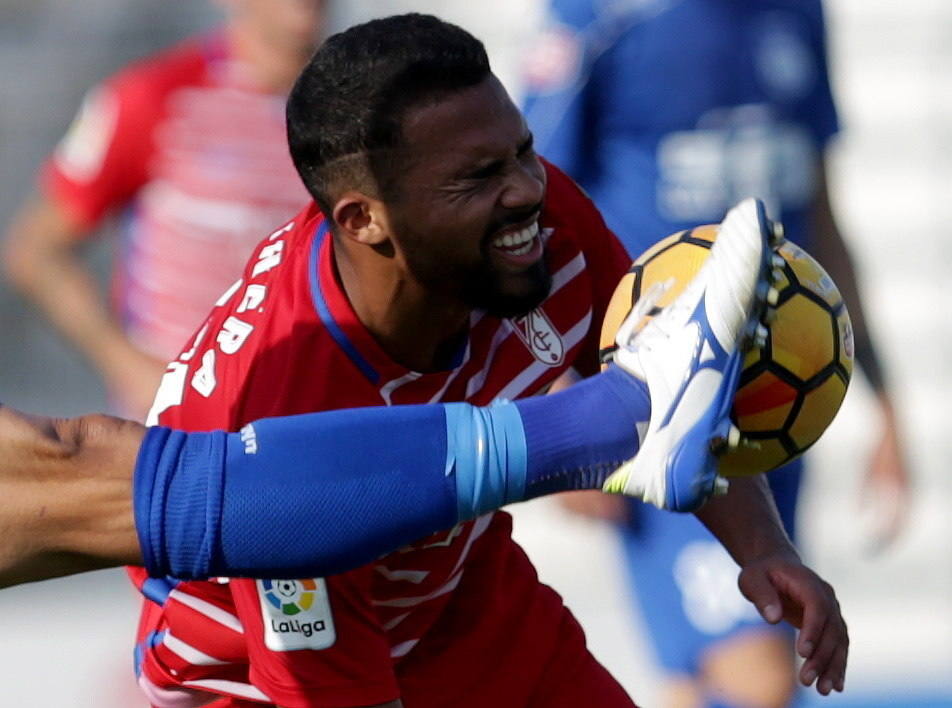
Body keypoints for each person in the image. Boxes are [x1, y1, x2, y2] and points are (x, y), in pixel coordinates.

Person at [119, 14, 845, 708]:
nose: (529, 189)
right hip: (254, 679)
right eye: (478, 176)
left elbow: (674, 380)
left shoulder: (546, 223)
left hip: (463, 611)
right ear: (363, 219)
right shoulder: (282, 425)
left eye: (522, 151)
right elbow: (331, 685)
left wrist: (765, 550)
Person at [522, 2, 907, 707]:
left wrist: (885, 404)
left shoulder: (796, 12)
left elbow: (820, 208)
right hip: (662, 407)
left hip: (780, 403)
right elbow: (528, 200)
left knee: (696, 684)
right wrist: (560, 392)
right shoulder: (599, 19)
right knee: (761, 672)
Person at [2, 0, 324, 419]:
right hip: (178, 430)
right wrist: (126, 364)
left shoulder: (361, 109)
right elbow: (36, 251)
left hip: (306, 421)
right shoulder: (153, 96)